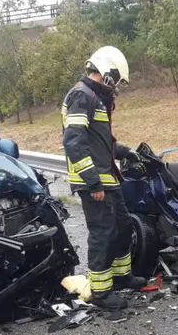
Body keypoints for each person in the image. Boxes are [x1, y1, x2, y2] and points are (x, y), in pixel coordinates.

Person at [61, 45, 148, 310]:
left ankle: (122, 277)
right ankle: (101, 292)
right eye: (118, 80)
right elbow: (74, 141)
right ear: (107, 73)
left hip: (109, 179)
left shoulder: (97, 98)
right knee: (102, 234)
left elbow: (103, 141)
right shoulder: (81, 96)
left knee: (122, 227)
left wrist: (126, 152)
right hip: (95, 182)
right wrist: (92, 181)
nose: (117, 86)